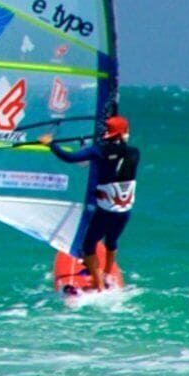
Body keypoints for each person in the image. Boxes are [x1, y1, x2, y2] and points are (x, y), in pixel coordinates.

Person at [51, 114, 138, 290]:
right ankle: (107, 275)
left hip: (105, 211)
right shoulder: (134, 153)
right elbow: (116, 155)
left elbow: (69, 157)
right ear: (124, 133)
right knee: (111, 241)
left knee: (88, 246)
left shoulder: (97, 151)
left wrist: (51, 144)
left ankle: (99, 285)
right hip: (124, 211)